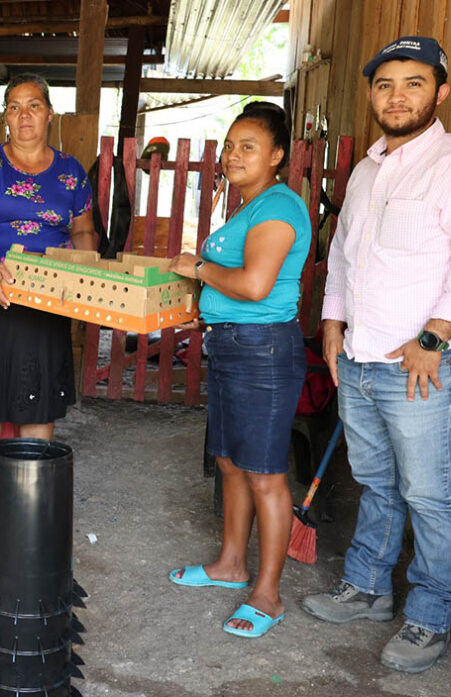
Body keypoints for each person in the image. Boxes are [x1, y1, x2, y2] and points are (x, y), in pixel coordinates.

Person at [302, 36, 451, 673]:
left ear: (440, 92)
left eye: (413, 83)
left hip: (426, 367)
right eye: (385, 85)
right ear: (371, 94)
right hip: (360, 359)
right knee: (376, 484)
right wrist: (333, 325)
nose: (397, 97)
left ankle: (430, 615)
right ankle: (368, 589)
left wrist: (432, 340)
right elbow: (343, 259)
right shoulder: (367, 172)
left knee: (428, 494)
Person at [167, 101, 311, 639]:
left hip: (263, 351)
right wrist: (206, 302)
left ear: (277, 155)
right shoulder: (250, 206)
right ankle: (231, 564)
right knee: (229, 461)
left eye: (248, 147)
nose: (233, 156)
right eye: (229, 146)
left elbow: (254, 285)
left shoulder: (279, 207)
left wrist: (199, 267)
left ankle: (268, 595)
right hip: (232, 345)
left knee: (265, 474)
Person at [0, 74, 94, 529]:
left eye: (33, 105)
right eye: (14, 107)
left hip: (48, 293)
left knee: (40, 387)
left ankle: (33, 486)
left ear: (49, 113)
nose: (24, 115)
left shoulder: (71, 171)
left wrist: (84, 271)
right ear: (6, 117)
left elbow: (82, 229)